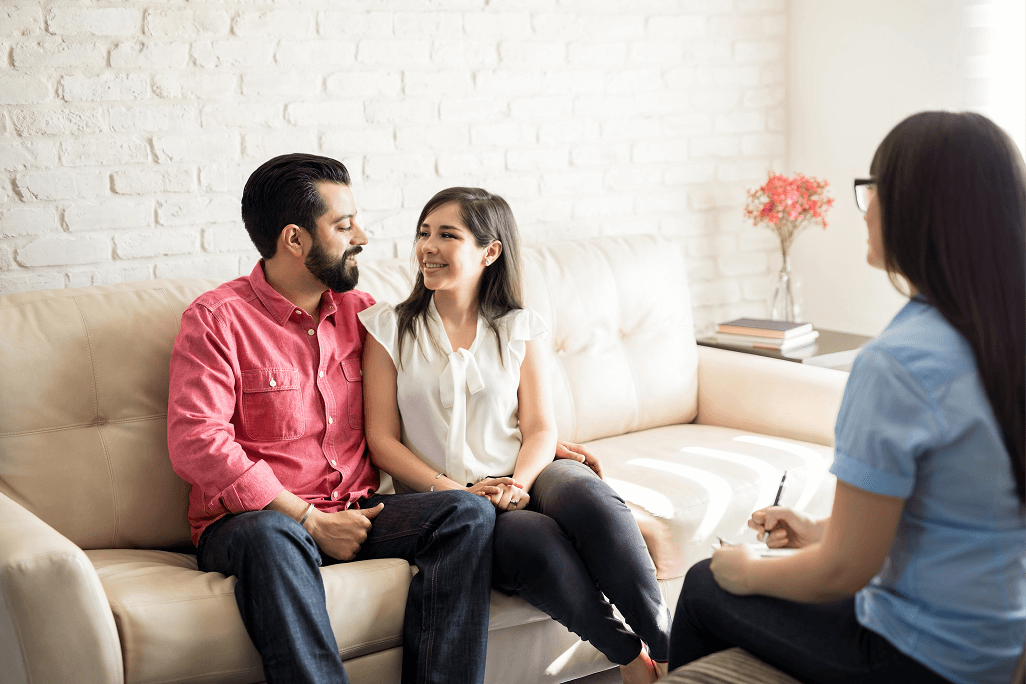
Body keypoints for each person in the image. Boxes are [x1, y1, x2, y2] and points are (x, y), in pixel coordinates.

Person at [668, 111, 1026, 684]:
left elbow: (841, 573)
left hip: (917, 657)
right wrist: (818, 532)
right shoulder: (1002, 336)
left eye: (873, 187)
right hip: (998, 643)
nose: (867, 206)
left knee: (706, 582)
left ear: (917, 209)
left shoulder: (899, 362)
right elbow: (956, 518)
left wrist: (746, 570)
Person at [167, 154, 498, 684]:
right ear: (295, 239)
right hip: (260, 522)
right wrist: (308, 519)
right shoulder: (216, 320)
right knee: (271, 537)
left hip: (358, 510)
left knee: (465, 515)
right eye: (344, 226)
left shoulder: (362, 312)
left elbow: (443, 383)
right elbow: (196, 440)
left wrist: (544, 440)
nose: (361, 236)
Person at [359, 187, 672, 684]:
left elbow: (541, 428)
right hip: (449, 502)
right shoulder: (386, 327)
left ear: (489, 251)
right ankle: (631, 657)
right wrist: (459, 493)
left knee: (586, 495)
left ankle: (676, 651)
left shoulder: (518, 327)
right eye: (423, 233)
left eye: (447, 235)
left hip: (526, 471)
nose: (428, 247)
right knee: (535, 539)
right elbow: (383, 442)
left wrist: (518, 484)